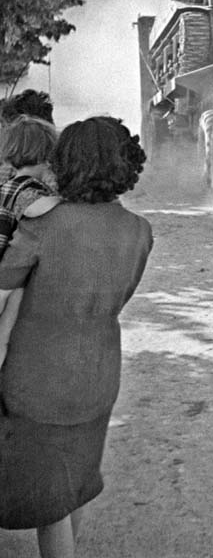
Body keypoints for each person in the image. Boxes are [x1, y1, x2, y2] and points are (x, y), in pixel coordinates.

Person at [0, 116, 153, 558]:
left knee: (48, 501)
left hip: (37, 379)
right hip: (100, 374)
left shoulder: (44, 225)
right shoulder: (140, 231)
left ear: (63, 161)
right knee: (76, 482)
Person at [0, 115, 59, 260]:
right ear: (45, 158)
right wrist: (61, 200)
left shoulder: (7, 186)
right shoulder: (29, 188)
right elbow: (33, 209)